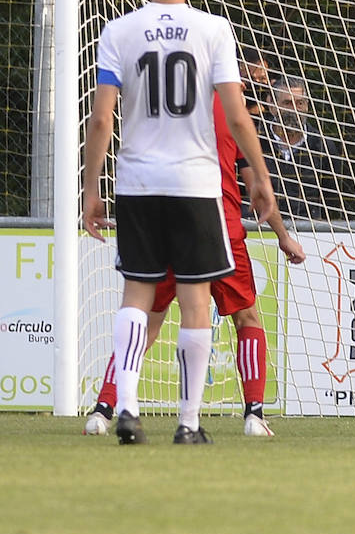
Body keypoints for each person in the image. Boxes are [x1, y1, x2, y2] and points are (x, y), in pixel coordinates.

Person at [81, 0, 279, 445]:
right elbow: (236, 115)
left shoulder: (118, 31)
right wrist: (258, 176)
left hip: (138, 182)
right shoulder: (214, 29)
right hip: (195, 183)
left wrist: (91, 189)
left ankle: (126, 408)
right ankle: (188, 424)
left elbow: (102, 119)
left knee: (136, 297)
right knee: (195, 301)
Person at [84, 65, 307, 439]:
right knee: (246, 318)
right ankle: (251, 414)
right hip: (220, 231)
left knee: (146, 322)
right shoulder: (233, 112)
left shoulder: (158, 111)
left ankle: (105, 408)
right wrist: (283, 235)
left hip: (163, 229)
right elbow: (255, 188)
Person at [263, 75, 344, 221]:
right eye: (287, 103)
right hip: (258, 230)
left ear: (307, 106)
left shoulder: (323, 146)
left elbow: (332, 199)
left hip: (310, 232)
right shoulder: (256, 141)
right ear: (272, 107)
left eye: (299, 103)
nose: (294, 109)